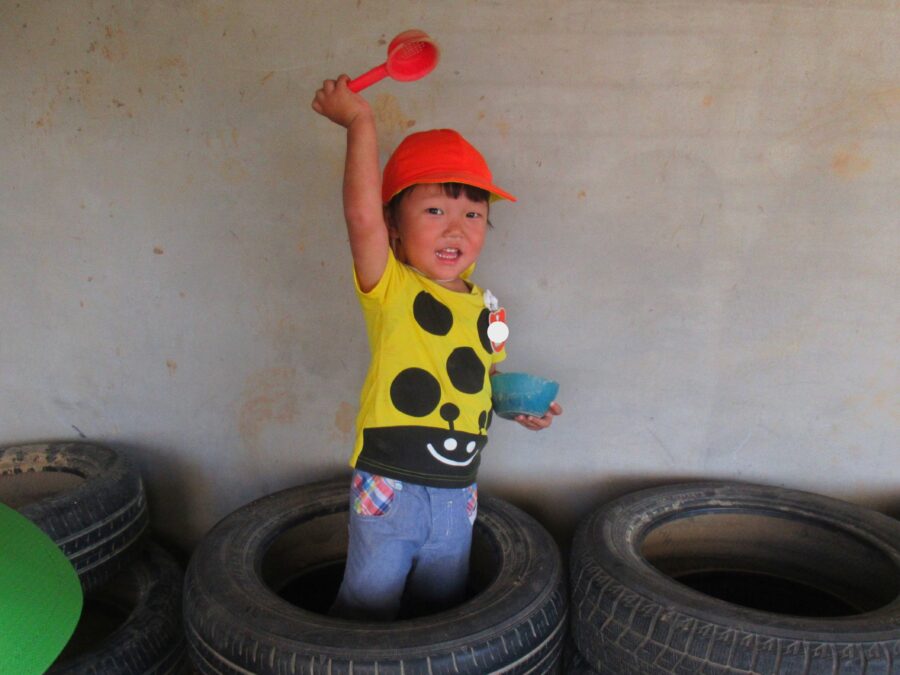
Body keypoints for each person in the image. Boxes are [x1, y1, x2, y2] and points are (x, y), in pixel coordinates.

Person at [311, 75, 562, 620]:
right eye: (434, 212)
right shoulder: (392, 288)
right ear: (393, 227)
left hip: (458, 490)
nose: (456, 229)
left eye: (473, 214)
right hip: (391, 484)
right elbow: (360, 216)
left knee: (441, 615)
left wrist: (521, 407)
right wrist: (359, 122)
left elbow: (486, 383)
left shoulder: (487, 307)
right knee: (366, 610)